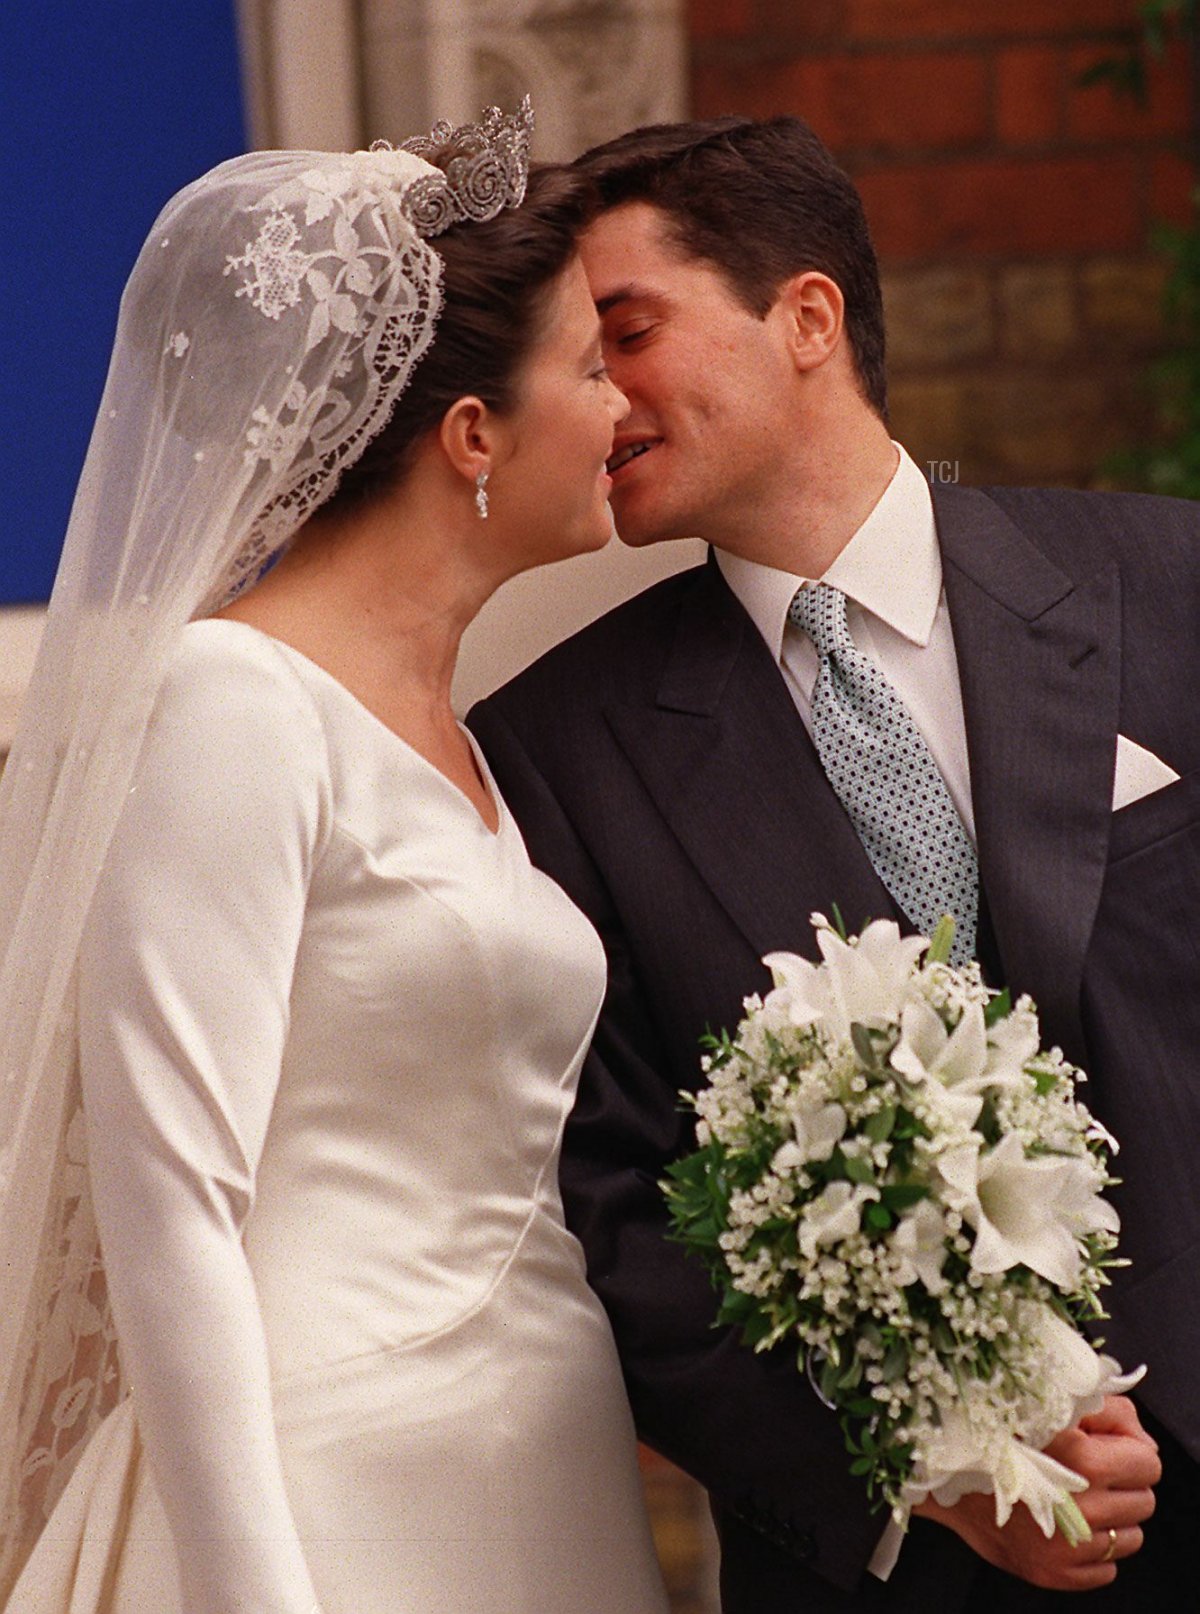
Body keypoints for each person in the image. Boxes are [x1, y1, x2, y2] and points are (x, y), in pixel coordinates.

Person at [468, 115, 1198, 1612]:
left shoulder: (1170, 583)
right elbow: (605, 1202)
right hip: (892, 1572)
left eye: (630, 332)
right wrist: (930, 1459)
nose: (601, 398)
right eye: (583, 360)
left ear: (806, 317)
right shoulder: (551, 749)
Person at [0, 103, 670, 1614]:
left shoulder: (462, 736)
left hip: (535, 1477)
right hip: (325, 1495)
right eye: (587, 364)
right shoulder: (231, 703)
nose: (622, 402)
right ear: (472, 438)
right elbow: (172, 1200)